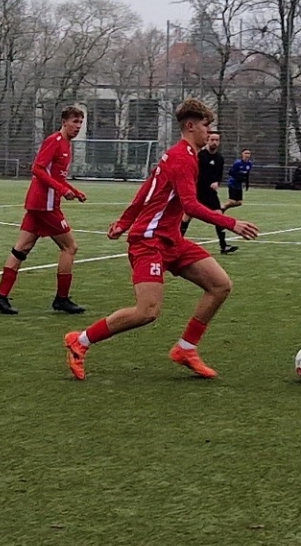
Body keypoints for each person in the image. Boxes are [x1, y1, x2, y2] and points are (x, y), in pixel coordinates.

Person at [63, 98, 260, 381]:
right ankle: (80, 341)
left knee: (220, 285)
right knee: (147, 311)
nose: (209, 132)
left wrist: (124, 222)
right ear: (191, 126)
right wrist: (232, 223)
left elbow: (147, 189)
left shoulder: (182, 155)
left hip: (171, 239)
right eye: (206, 126)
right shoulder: (182, 158)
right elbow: (190, 205)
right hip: (148, 242)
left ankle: (186, 349)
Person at [0, 108, 89, 316]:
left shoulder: (67, 144)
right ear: (64, 122)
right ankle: (61, 299)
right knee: (70, 247)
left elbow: (57, 177)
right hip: (45, 205)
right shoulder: (54, 141)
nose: (78, 126)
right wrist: (62, 190)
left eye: (80, 122)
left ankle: (0, 295)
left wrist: (74, 190)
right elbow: (37, 168)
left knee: (21, 248)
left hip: (38, 204)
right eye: (75, 121)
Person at [182, 130, 236, 253]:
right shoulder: (200, 156)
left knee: (219, 216)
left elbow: (219, 175)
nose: (214, 142)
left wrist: (217, 182)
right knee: (187, 216)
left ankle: (224, 246)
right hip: (197, 191)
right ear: (207, 141)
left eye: (217, 140)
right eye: (212, 140)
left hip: (210, 193)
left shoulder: (219, 158)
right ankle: (175, 243)